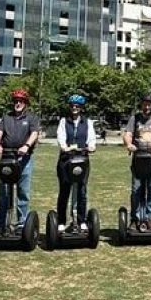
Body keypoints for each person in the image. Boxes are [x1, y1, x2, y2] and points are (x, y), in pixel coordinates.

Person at [0, 89, 41, 231]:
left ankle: (21, 223)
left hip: (23, 159)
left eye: (20, 101)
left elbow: (34, 133)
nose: (17, 103)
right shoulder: (7, 117)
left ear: (25, 103)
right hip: (6, 158)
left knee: (22, 191)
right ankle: (2, 223)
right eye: (15, 101)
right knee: (4, 192)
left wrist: (26, 146)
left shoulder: (31, 118)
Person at [123, 93, 151, 229]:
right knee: (137, 189)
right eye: (144, 104)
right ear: (141, 105)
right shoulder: (134, 118)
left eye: (149, 104)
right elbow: (128, 134)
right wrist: (128, 144)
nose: (147, 107)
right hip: (138, 158)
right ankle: (135, 218)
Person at [55, 94, 97, 233]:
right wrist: (64, 147)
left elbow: (91, 138)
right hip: (66, 161)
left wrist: (91, 146)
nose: (75, 108)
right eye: (72, 106)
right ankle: (61, 221)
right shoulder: (63, 121)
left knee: (81, 190)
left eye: (77, 106)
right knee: (65, 190)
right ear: (70, 107)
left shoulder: (87, 122)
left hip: (82, 159)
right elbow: (61, 137)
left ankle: (81, 220)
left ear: (81, 108)